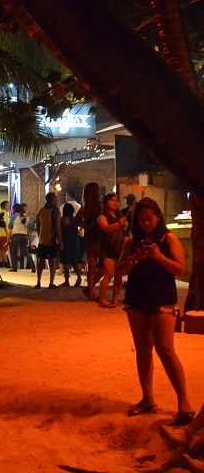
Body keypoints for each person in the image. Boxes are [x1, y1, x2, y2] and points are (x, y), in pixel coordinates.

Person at [115, 198, 193, 425]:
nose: (145, 224)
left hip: (162, 299)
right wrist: (134, 259)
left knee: (166, 350)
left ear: (158, 217)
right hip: (137, 299)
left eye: (149, 219)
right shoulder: (131, 242)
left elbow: (180, 269)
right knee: (142, 349)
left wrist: (158, 256)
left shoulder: (168, 239)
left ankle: (184, 401)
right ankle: (147, 398)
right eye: (140, 220)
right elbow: (120, 271)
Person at [96, 193, 128, 308]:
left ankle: (115, 299)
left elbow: (121, 232)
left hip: (119, 247)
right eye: (112, 200)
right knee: (108, 274)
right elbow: (105, 228)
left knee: (118, 275)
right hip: (107, 248)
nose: (115, 203)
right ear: (106, 203)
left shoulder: (119, 216)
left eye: (116, 200)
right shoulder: (102, 217)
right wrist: (119, 224)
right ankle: (102, 299)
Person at [78, 182, 102, 300]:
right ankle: (90, 289)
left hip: (88, 238)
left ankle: (91, 291)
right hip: (99, 237)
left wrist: (84, 225)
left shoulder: (84, 207)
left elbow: (76, 220)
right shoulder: (99, 206)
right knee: (105, 265)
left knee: (92, 266)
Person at [34, 192, 63, 288]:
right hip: (52, 240)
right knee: (53, 261)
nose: (57, 200)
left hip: (42, 240)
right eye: (56, 199)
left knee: (41, 261)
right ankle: (51, 283)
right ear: (53, 200)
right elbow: (57, 227)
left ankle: (38, 282)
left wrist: (40, 235)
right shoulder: (56, 211)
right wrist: (60, 241)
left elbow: (38, 226)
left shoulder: (40, 211)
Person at [59, 203, 83, 287]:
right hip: (75, 241)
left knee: (66, 261)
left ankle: (67, 281)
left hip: (66, 241)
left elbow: (60, 232)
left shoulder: (62, 220)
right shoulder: (74, 220)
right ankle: (79, 277)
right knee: (74, 261)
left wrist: (60, 242)